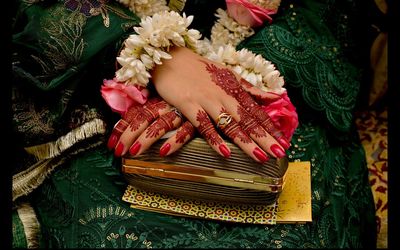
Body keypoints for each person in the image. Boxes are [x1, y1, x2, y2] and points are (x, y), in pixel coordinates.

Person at [11, 0, 377, 248]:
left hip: (275, 79)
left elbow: (330, 14)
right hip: (96, 82)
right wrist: (152, 55)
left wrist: (230, 78)